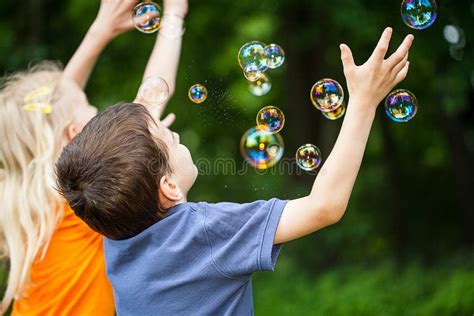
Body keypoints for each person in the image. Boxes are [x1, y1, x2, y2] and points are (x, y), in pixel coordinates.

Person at [55, 27, 414, 315]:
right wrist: (364, 101)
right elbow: (325, 206)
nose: (175, 131)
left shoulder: (110, 228)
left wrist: (174, 19)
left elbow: (118, 138)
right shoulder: (204, 234)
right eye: (168, 136)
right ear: (168, 185)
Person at [0, 0, 187, 314]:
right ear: (74, 133)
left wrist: (100, 32)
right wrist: (174, 14)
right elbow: (151, 98)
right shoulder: (84, 192)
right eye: (92, 111)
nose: (100, 118)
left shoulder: (21, 204)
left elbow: (54, 107)